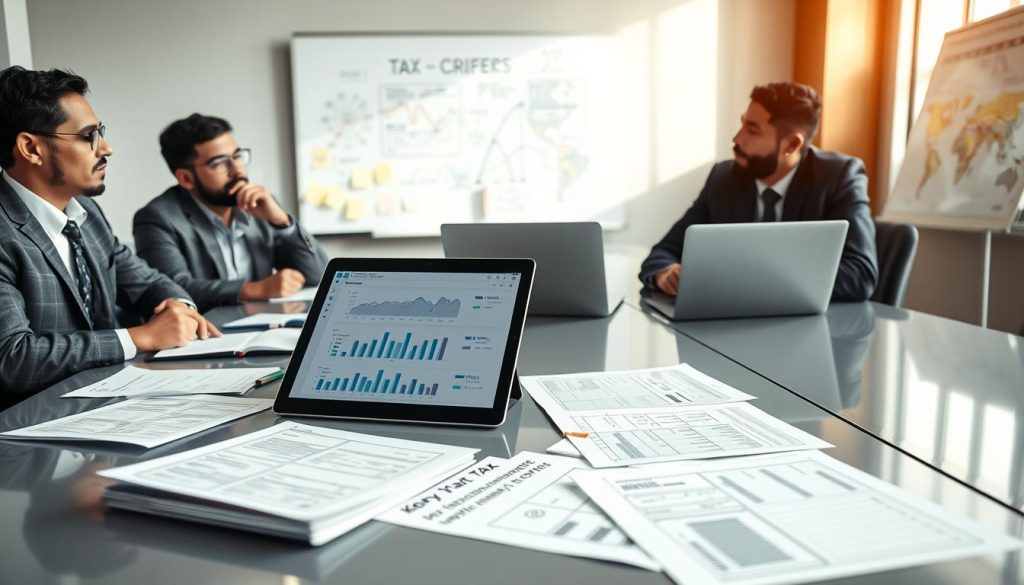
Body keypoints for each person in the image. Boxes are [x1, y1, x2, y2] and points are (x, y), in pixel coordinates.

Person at [0, 66, 219, 409]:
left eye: (100, 132)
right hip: (28, 426)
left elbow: (147, 283)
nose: (107, 149)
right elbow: (13, 359)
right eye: (88, 136)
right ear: (31, 148)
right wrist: (139, 337)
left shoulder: (86, 213)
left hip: (107, 405)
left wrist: (178, 306)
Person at [639, 82, 878, 302]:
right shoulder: (724, 178)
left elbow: (860, 273)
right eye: (742, 123)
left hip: (814, 326)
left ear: (792, 144)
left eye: (752, 130)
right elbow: (664, 252)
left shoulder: (839, 177)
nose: (737, 138)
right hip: (733, 324)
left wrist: (748, 282)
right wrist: (665, 272)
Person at [132, 114, 329, 312]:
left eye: (237, 156)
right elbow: (170, 290)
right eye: (219, 163)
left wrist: (282, 223)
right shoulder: (157, 218)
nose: (237, 171)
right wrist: (254, 290)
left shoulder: (259, 204)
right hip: (205, 329)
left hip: (262, 324)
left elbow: (318, 275)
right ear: (186, 178)